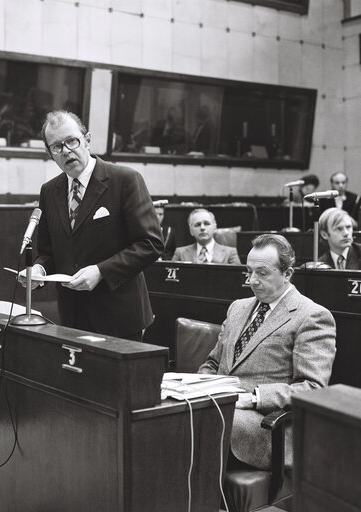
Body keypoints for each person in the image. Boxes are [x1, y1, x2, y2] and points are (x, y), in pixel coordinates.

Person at [20, 110, 164, 340]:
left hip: (119, 317)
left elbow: (151, 243)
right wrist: (39, 269)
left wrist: (101, 272)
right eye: (57, 147)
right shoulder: (49, 191)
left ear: (87, 140)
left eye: (71, 141)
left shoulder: (125, 180)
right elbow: (48, 251)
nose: (66, 150)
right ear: (50, 153)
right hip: (72, 316)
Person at [198, 234, 336, 470]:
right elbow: (212, 363)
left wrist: (253, 398)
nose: (252, 281)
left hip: (265, 423)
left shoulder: (312, 316)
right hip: (221, 407)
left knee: (205, 424)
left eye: (262, 273)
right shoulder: (238, 307)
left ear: (287, 274)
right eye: (249, 271)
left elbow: (312, 389)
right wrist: (198, 389)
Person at [172, 208, 241, 264]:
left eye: (207, 223)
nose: (202, 228)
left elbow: (238, 279)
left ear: (215, 227)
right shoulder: (180, 253)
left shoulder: (230, 253)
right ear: (191, 231)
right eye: (197, 225)